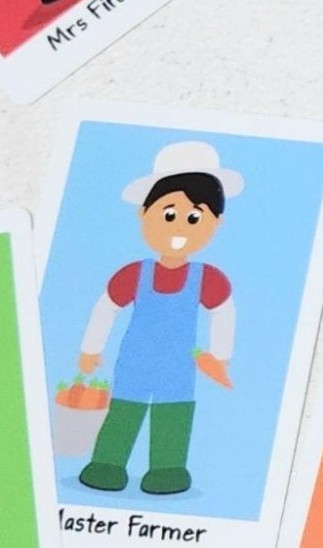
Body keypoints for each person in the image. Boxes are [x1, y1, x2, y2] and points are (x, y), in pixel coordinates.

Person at [74, 141, 240, 495]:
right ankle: (107, 463)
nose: (179, 227)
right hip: (134, 362)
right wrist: (91, 349)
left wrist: (220, 356)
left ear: (216, 223)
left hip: (178, 366)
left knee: (173, 414)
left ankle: (168, 469)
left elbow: (223, 311)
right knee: (124, 409)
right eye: (168, 214)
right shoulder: (134, 273)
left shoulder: (207, 278)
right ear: (144, 213)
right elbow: (106, 307)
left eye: (194, 218)